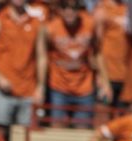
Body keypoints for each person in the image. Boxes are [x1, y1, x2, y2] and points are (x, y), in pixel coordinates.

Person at [0, 0, 46, 133]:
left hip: (27, 90)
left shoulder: (36, 23)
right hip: (2, 89)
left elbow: (41, 56)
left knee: (25, 139)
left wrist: (40, 86)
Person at [46, 0, 109, 128]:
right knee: (57, 129)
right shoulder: (50, 28)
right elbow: (42, 56)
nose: (69, 12)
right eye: (65, 7)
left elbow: (97, 53)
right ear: (60, 10)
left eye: (74, 8)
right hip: (59, 86)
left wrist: (104, 80)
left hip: (84, 88)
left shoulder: (90, 24)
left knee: (82, 131)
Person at [91, 0, 127, 102]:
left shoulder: (127, 9)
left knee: (123, 117)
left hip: (125, 75)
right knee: (103, 114)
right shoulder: (101, 10)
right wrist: (101, 76)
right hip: (107, 74)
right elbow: (96, 48)